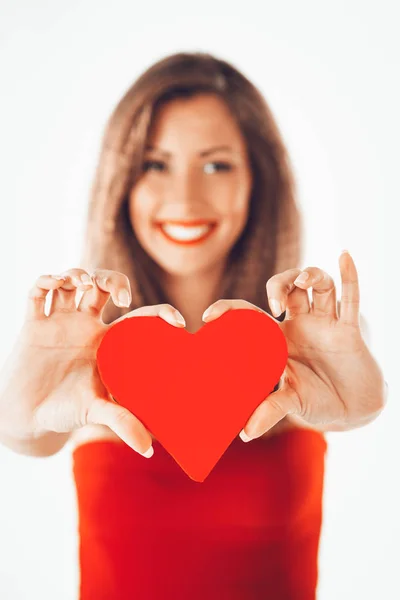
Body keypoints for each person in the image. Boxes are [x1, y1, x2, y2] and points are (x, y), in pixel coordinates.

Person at [0, 52, 386, 600]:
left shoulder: (312, 341)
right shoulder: (86, 348)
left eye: (216, 165)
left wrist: (366, 401)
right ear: (121, 182)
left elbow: (359, 403)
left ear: (258, 179)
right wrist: (18, 408)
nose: (184, 199)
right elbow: (24, 434)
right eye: (155, 164)